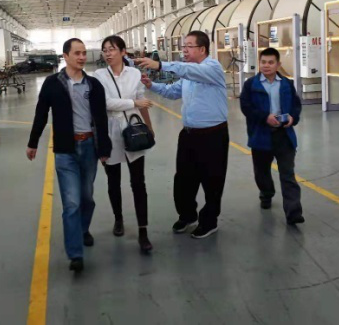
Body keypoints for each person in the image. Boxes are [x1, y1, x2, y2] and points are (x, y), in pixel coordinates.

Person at [26, 38, 112, 273]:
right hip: (66, 150)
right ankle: (75, 254)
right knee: (72, 202)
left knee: (87, 198)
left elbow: (101, 119)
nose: (82, 57)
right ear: (65, 56)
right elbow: (41, 113)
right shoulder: (52, 84)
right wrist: (33, 142)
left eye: (84, 53)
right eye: (77, 53)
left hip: (89, 147)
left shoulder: (93, 85)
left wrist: (104, 148)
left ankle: (82, 229)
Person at [136, 31, 229, 239]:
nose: (184, 50)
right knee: (183, 179)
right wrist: (151, 85)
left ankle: (209, 221)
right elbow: (172, 91)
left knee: (212, 181)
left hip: (212, 136)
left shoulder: (212, 68)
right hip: (189, 135)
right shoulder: (189, 75)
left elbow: (187, 70)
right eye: (183, 46)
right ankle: (187, 215)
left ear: (202, 49)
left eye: (188, 46)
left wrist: (160, 65)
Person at [95, 36, 154, 253]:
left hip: (133, 131)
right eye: (105, 50)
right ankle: (118, 219)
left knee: (138, 182)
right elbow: (104, 103)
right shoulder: (99, 76)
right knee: (113, 181)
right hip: (110, 133)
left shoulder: (135, 74)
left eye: (112, 49)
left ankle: (143, 231)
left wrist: (149, 127)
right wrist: (132, 103)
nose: (108, 53)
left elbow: (143, 102)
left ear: (122, 51)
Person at [239, 47, 304, 225]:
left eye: (270, 62)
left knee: (288, 173)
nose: (266, 66)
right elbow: (246, 107)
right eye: (263, 62)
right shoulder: (251, 84)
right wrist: (264, 117)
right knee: (262, 172)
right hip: (261, 135)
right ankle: (266, 193)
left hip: (284, 135)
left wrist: (293, 117)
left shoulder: (286, 83)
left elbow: (296, 105)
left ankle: (293, 212)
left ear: (278, 64)